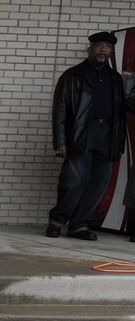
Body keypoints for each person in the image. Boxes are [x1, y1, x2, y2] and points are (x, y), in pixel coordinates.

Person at [48, 32, 132, 240]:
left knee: (98, 184)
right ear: (90, 49)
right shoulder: (73, 75)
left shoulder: (115, 79)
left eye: (108, 47)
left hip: (108, 135)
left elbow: (123, 109)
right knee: (73, 181)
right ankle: (57, 221)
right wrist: (60, 141)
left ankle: (80, 225)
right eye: (99, 46)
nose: (103, 50)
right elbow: (59, 111)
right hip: (81, 134)